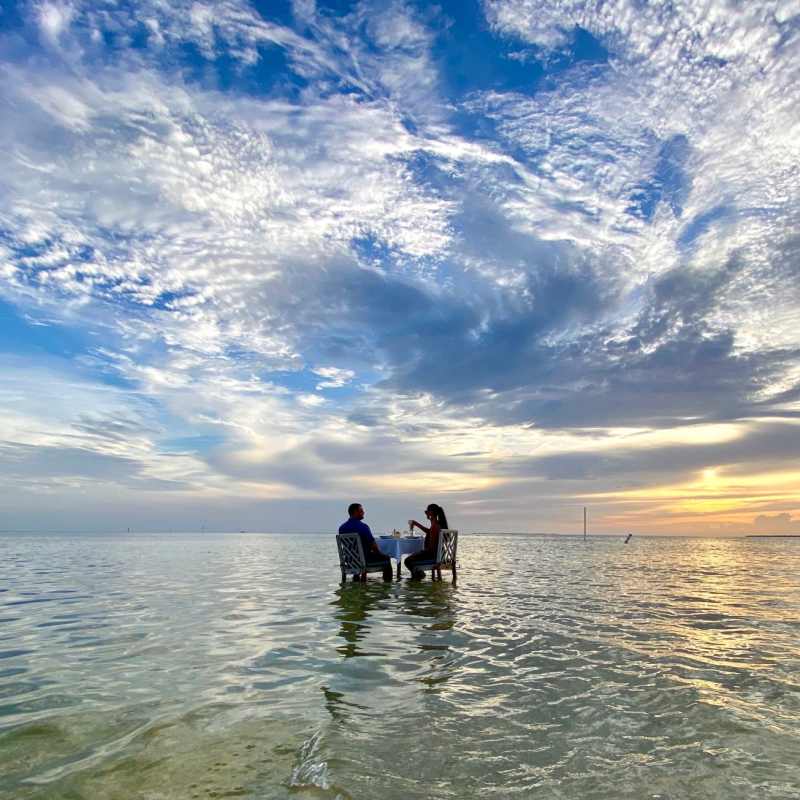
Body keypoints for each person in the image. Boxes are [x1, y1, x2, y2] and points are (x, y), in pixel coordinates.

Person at [338, 503, 393, 581]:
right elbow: (374, 547)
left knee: (362, 555)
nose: (363, 512)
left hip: (349, 561)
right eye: (361, 511)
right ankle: (387, 588)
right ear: (355, 512)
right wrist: (382, 555)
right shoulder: (363, 527)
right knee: (387, 559)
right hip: (363, 561)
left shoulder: (342, 528)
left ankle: (356, 580)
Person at [404, 503, 448, 579]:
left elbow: (431, 548)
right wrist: (417, 523)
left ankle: (418, 576)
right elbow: (429, 532)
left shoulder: (435, 526)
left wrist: (422, 552)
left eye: (427, 511)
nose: (426, 512)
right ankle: (418, 574)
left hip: (432, 555)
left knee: (407, 561)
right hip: (439, 554)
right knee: (413, 556)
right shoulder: (437, 523)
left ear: (431, 512)